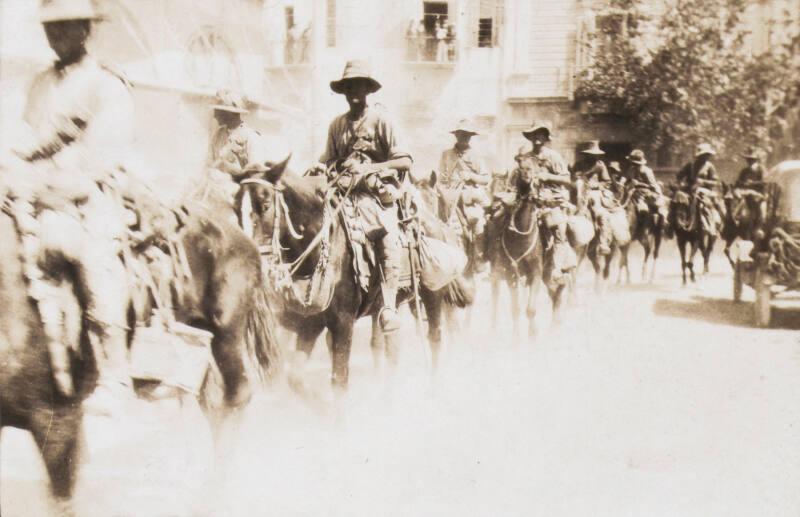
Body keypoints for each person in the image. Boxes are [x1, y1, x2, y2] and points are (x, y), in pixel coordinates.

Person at [6, 0, 135, 413]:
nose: (55, 37)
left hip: (87, 195)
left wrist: (49, 185)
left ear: (85, 30)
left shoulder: (107, 85)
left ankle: (115, 375)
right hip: (35, 190)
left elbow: (102, 159)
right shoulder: (41, 82)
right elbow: (27, 137)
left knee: (91, 257)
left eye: (63, 28)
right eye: (49, 28)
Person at [317, 60, 412, 333]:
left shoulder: (381, 120)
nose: (353, 91)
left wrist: (370, 168)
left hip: (373, 194)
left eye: (358, 85)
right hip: (340, 191)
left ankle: (389, 305)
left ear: (367, 89)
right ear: (343, 91)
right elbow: (329, 159)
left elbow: (404, 161)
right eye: (348, 86)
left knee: (387, 235)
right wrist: (321, 167)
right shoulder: (337, 125)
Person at [520, 122, 576, 283]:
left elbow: (567, 179)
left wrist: (548, 177)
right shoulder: (527, 158)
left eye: (541, 134)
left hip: (551, 201)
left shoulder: (554, 156)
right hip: (530, 200)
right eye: (534, 134)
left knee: (558, 229)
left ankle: (557, 269)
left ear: (545, 138)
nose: (537, 138)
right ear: (530, 137)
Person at [207, 89, 263, 231]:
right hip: (217, 191)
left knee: (243, 213)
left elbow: (256, 173)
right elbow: (209, 164)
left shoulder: (251, 137)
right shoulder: (218, 136)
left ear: (231, 113)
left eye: (219, 111)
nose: (215, 115)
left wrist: (228, 168)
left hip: (241, 192)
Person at [438, 119, 491, 260]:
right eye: (462, 134)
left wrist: (471, 176)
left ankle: (479, 263)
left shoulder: (477, 156)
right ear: (456, 136)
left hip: (471, 199)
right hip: (450, 199)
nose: (464, 138)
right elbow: (441, 179)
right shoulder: (446, 154)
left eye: (467, 135)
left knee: (479, 227)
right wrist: (446, 190)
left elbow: (486, 179)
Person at [675, 143, 726, 231]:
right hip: (690, 190)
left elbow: (714, 182)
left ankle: (719, 224)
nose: (704, 157)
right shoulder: (690, 165)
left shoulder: (710, 166)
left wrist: (703, 182)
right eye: (703, 155)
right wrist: (681, 183)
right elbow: (680, 175)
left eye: (706, 155)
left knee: (714, 203)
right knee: (677, 198)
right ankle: (675, 223)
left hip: (705, 191)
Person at [576, 141, 613, 255]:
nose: (592, 156)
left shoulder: (600, 165)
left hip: (594, 193)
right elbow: (574, 176)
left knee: (601, 214)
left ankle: (603, 243)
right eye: (590, 154)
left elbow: (607, 182)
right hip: (580, 191)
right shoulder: (578, 164)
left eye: (595, 154)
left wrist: (596, 185)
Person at [626, 149, 669, 223]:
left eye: (636, 164)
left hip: (647, 192)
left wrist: (639, 184)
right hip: (633, 191)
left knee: (644, 206)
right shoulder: (631, 170)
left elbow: (652, 185)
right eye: (633, 164)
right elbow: (627, 179)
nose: (634, 166)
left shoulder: (646, 171)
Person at [733, 146, 767, 224]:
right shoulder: (744, 171)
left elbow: (765, 182)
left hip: (758, 194)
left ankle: (759, 223)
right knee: (736, 197)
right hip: (744, 193)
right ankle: (735, 217)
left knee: (760, 211)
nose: (750, 162)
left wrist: (752, 183)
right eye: (748, 160)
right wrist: (741, 184)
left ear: (756, 160)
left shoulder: (761, 170)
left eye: (752, 160)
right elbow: (738, 183)